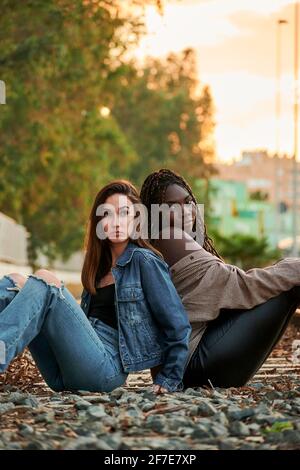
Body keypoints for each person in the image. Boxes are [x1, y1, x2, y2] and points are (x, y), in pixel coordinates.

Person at [0, 180, 191, 394]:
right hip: (64, 373)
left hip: (106, 369)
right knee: (14, 282)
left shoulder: (144, 261)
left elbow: (178, 325)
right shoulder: (97, 268)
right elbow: (75, 327)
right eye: (108, 214)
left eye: (124, 213)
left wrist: (169, 378)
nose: (117, 222)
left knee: (45, 279)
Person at [140, 168, 300, 388]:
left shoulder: (162, 242)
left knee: (289, 279)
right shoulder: (169, 236)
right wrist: (293, 267)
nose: (184, 211)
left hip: (192, 365)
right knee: (290, 285)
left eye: (187, 202)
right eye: (170, 206)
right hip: (192, 366)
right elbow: (239, 285)